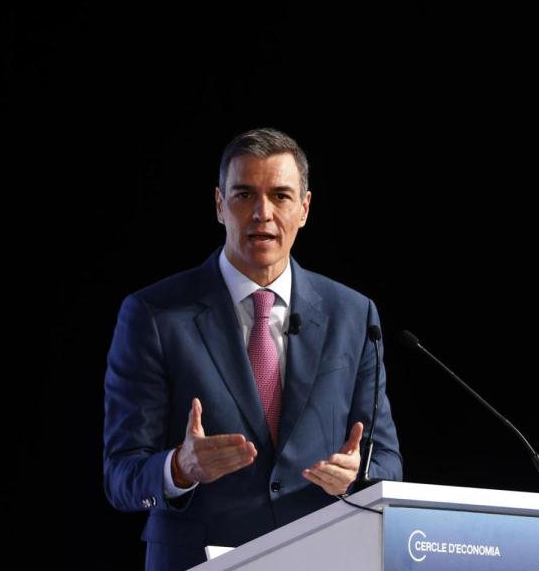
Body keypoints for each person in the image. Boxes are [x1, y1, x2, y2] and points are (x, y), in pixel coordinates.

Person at [103, 128, 402, 570]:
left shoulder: (353, 315)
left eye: (281, 196)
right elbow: (121, 473)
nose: (262, 213)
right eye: (244, 195)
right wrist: (180, 468)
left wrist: (357, 475)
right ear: (220, 205)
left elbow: (388, 463)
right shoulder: (154, 314)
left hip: (322, 557)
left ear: (304, 208)